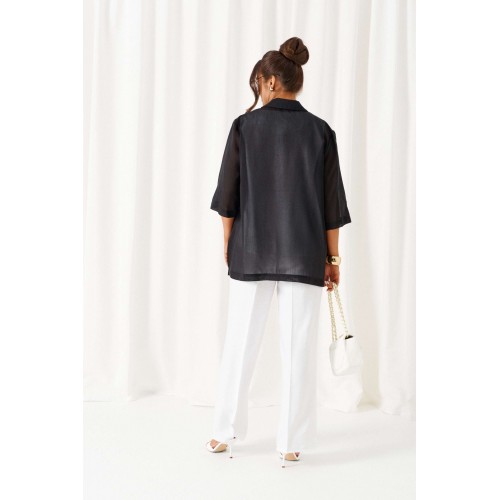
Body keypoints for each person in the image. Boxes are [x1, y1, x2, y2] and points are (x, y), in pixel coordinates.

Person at [206, 37, 352, 468]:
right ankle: (290, 441)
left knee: (239, 343)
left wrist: (229, 243)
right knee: (298, 348)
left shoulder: (244, 127)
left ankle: (222, 433)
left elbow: (228, 198)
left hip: (250, 249)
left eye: (259, 82)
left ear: (271, 80)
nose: (258, 88)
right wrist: (333, 259)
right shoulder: (321, 131)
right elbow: (331, 205)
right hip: (304, 252)